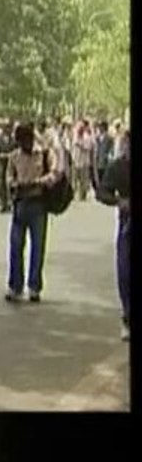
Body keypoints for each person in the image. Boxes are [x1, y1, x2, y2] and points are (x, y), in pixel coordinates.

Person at [5, 123, 58, 303]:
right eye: (20, 142)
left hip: (38, 205)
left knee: (37, 247)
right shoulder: (14, 157)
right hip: (20, 205)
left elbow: (54, 174)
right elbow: (9, 178)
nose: (23, 145)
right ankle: (15, 286)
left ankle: (34, 286)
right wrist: (15, 184)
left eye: (25, 141)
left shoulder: (43, 154)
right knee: (15, 246)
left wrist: (38, 182)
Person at [96, 130, 130, 341]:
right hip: (128, 222)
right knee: (125, 271)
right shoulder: (118, 167)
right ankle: (127, 316)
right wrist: (119, 201)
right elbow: (102, 192)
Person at [0, 122, 16, 213]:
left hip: (10, 164)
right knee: (0, 183)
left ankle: (9, 203)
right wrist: (0, 155)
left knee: (9, 184)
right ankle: (3, 204)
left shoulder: (14, 141)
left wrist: (10, 155)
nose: (7, 131)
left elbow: (16, 151)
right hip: (1, 163)